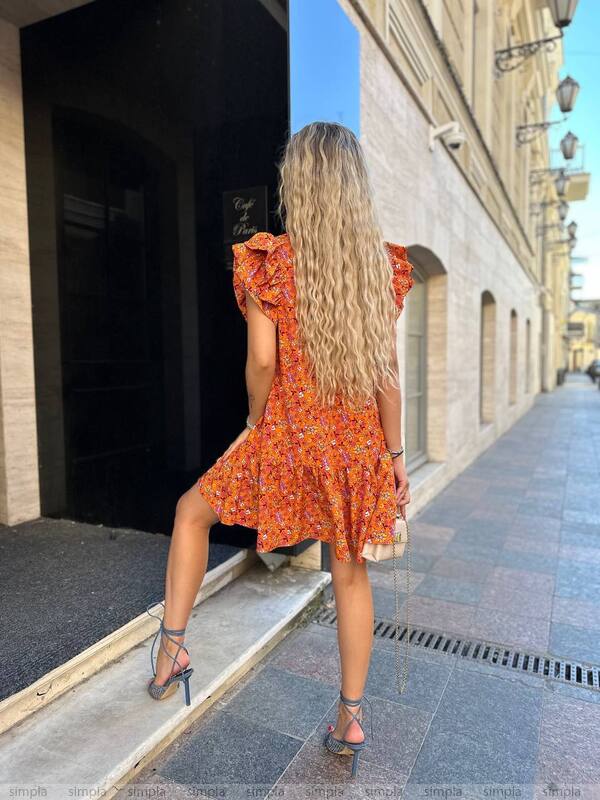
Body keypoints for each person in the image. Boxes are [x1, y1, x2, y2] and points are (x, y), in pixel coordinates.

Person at [145, 121, 414, 776]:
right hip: (356, 447)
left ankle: (171, 651)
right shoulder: (379, 268)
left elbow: (261, 362)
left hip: (288, 437)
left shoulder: (273, 262)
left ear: (298, 182)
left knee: (190, 513)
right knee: (350, 574)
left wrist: (255, 420)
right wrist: (397, 457)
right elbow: (387, 380)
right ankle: (350, 716)